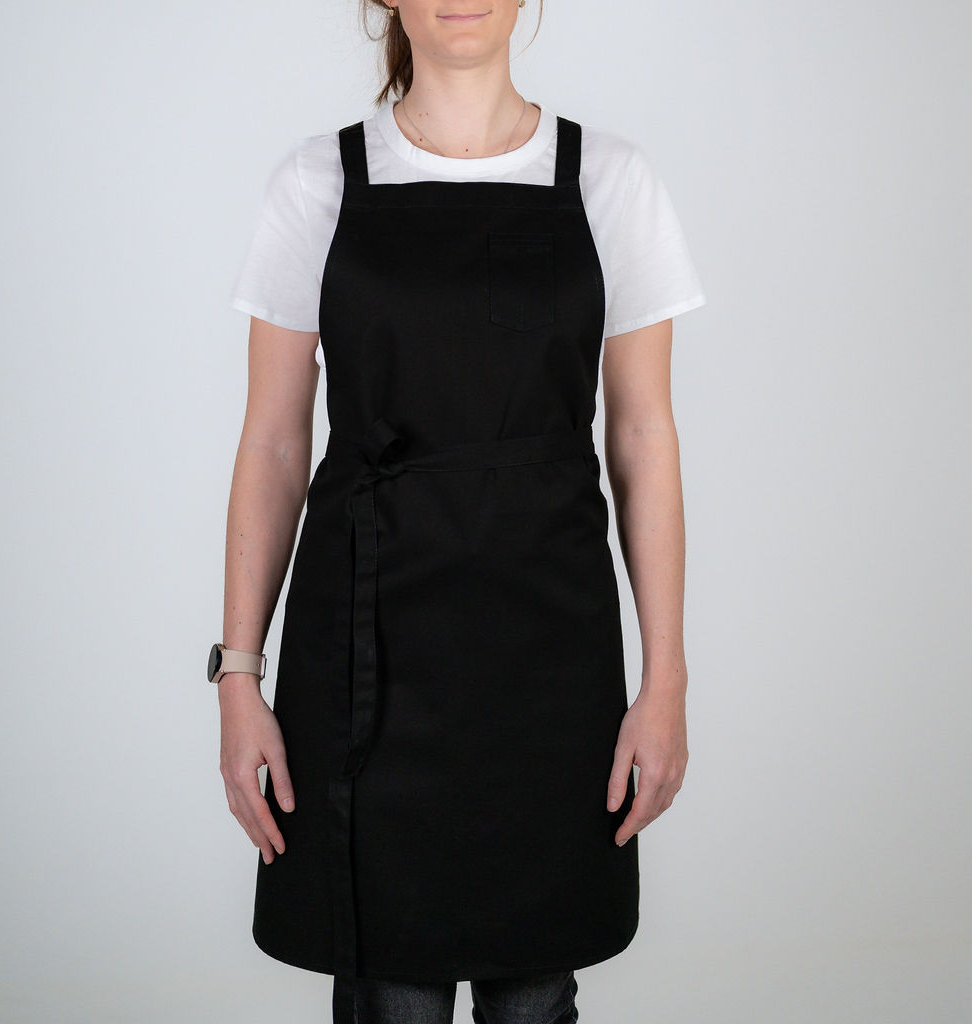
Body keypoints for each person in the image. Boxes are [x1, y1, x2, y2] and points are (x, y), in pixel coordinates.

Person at [212, 2, 706, 1022]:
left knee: (534, 995)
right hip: (367, 653)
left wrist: (665, 680)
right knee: (389, 993)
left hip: (550, 657)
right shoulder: (316, 184)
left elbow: (643, 439)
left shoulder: (611, 182)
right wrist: (238, 676)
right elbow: (272, 444)